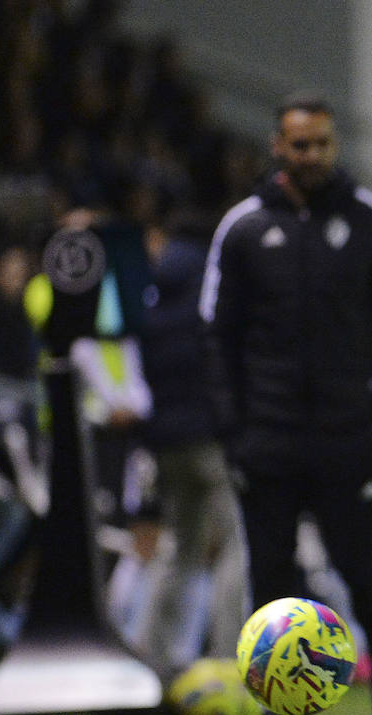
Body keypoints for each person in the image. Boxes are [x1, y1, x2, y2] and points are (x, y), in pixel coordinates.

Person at [202, 93, 372, 715]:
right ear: (278, 147)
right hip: (267, 435)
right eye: (300, 145)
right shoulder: (242, 229)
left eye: (322, 144)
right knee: (269, 578)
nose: (312, 156)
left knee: (362, 572)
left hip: (346, 434)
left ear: (333, 146)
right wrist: (231, 430)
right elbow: (217, 337)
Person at [135, 208, 247, 682]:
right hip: (215, 440)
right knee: (238, 546)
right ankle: (231, 658)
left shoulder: (151, 292)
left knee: (179, 548)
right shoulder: (217, 287)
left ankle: (151, 659)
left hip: (165, 441)